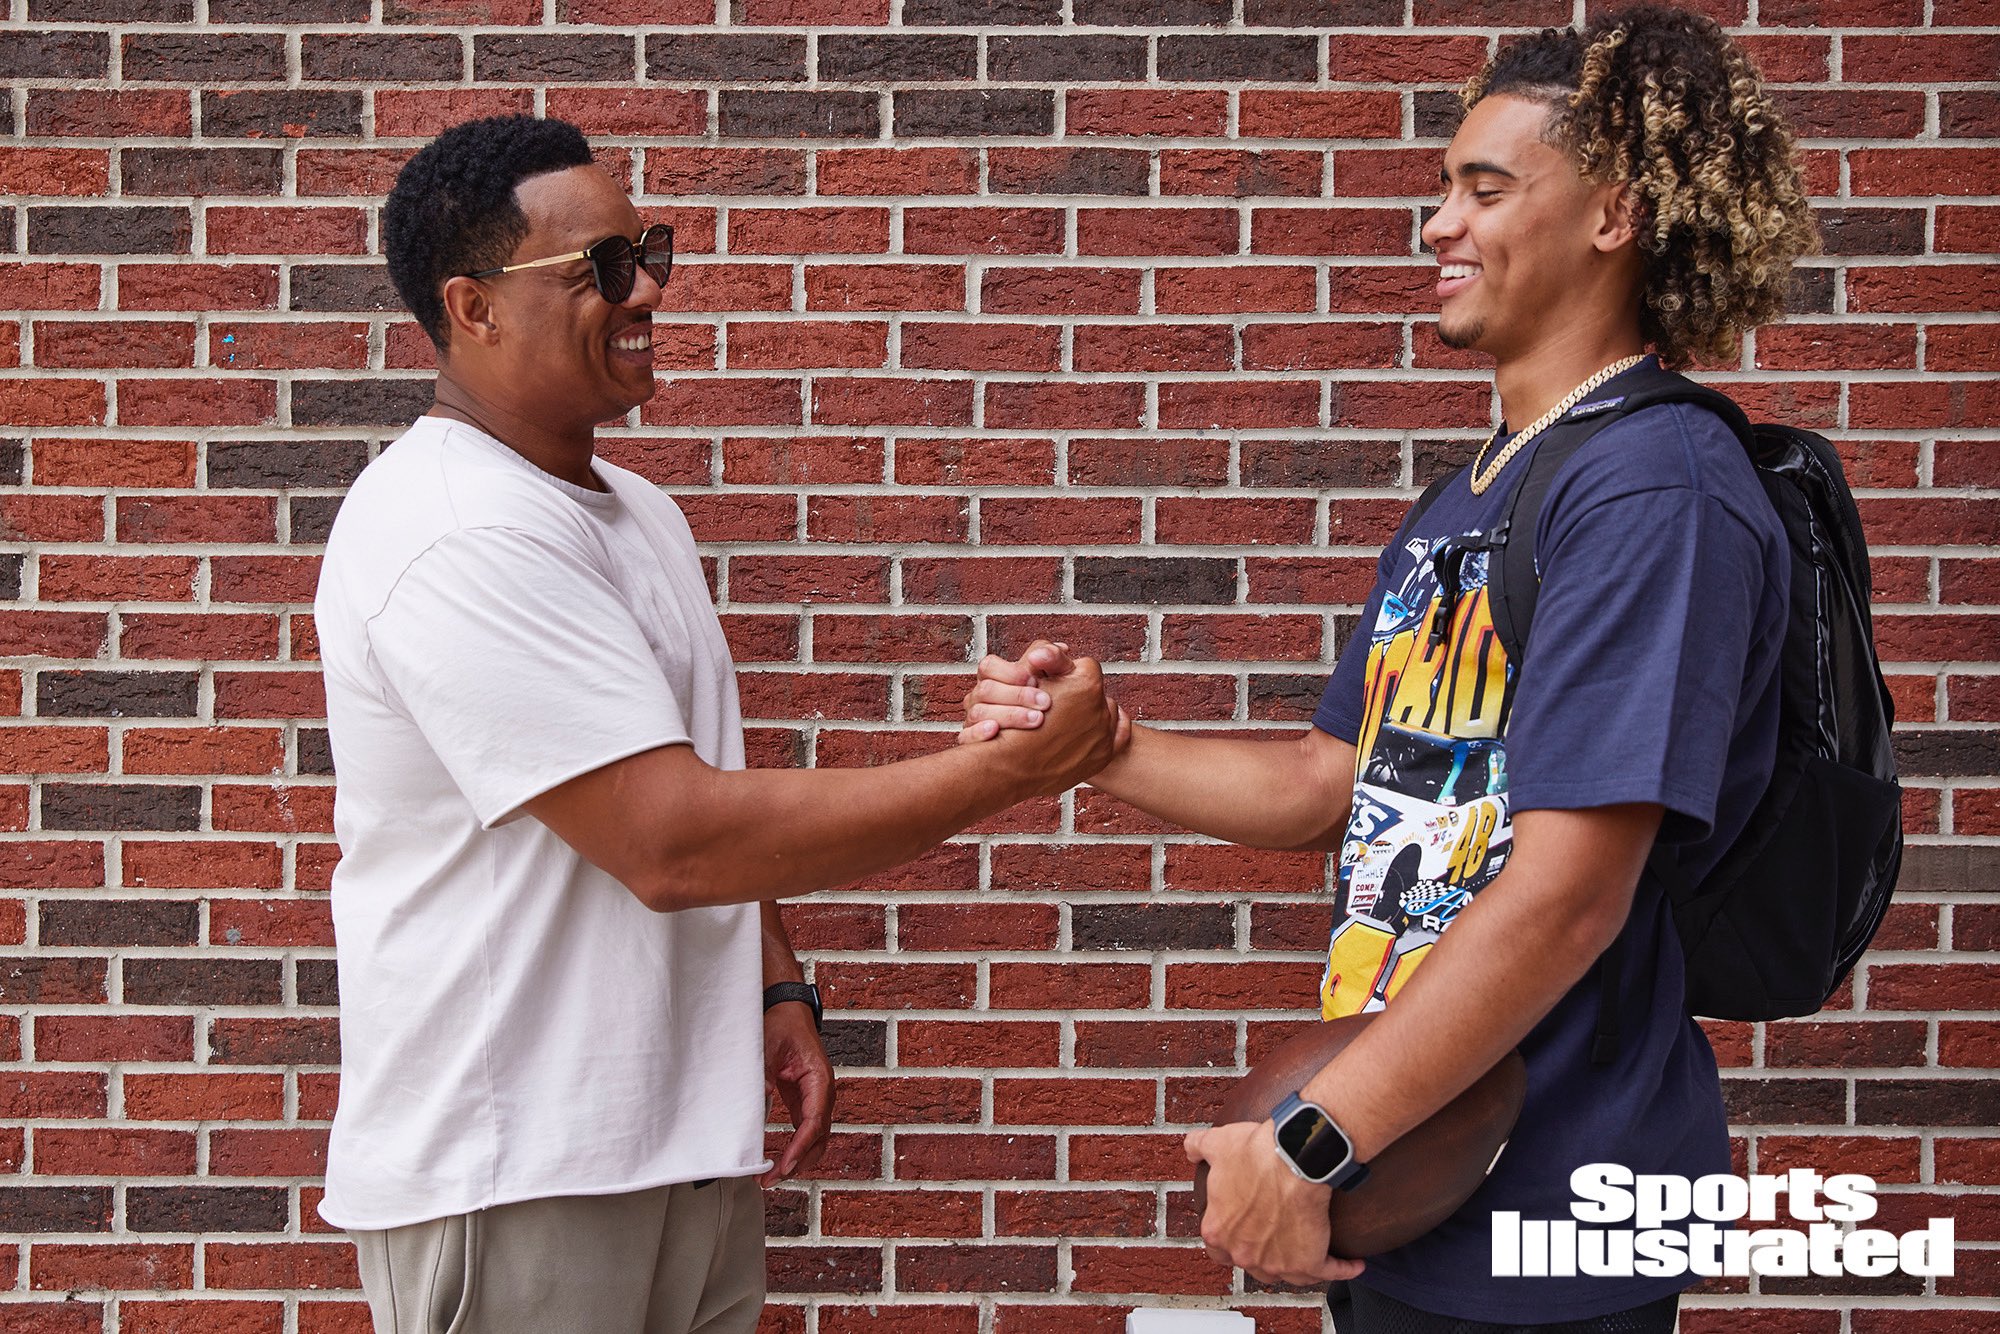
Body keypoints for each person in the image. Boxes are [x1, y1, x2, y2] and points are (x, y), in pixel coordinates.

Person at [962, 7, 1818, 1329]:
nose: (1437, 225)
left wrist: (1311, 1141)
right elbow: (1336, 781)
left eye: (1484, 189)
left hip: (1548, 1220)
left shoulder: (1656, 491)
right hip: (1413, 1182)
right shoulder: (1472, 496)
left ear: (1614, 215)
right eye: (1441, 189)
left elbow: (1568, 895)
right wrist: (1104, 748)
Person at [315, 115, 1119, 1334]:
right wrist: (1002, 771)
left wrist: (771, 989)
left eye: (650, 251)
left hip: (669, 1143)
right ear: (471, 308)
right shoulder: (455, 531)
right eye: (598, 265)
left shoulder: (634, 511)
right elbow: (673, 840)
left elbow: (696, 785)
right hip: (520, 1167)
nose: (644, 288)